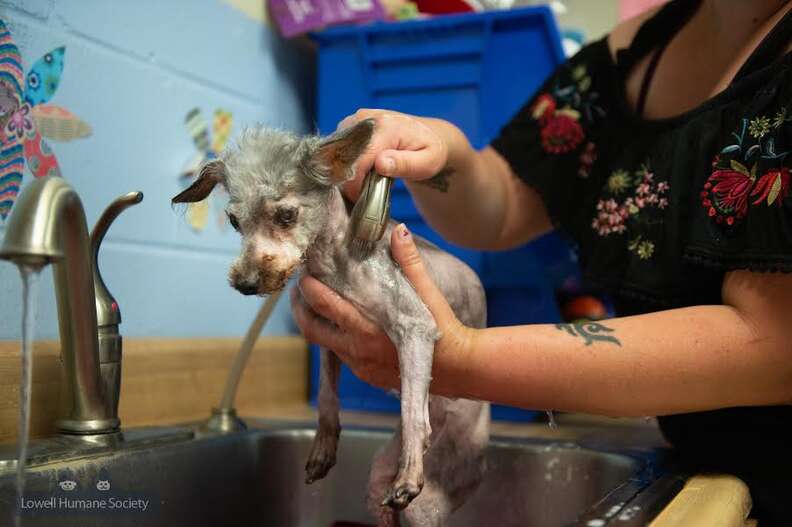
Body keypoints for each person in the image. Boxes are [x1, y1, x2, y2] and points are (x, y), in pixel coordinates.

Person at [291, 0, 792, 523]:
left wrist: (461, 359)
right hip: (700, 467)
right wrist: (445, 153)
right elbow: (504, 204)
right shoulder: (632, 53)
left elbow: (774, 347)